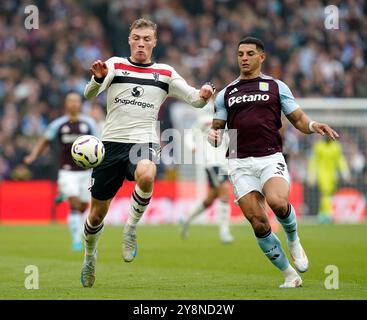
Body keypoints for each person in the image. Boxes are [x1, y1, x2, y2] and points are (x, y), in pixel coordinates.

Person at [81, 18, 214, 288]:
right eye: (137, 38)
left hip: (143, 141)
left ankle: (130, 228)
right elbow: (88, 94)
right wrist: (97, 78)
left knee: (147, 173)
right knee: (96, 215)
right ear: (130, 40)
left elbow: (194, 100)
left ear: (154, 42)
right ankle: (89, 256)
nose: (141, 43)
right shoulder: (115, 64)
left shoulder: (165, 73)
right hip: (110, 145)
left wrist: (204, 94)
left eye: (146, 39)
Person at [208, 37, 339, 288]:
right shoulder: (226, 94)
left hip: (270, 156)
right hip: (239, 161)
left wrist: (314, 125)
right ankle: (290, 274)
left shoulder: (276, 86)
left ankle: (293, 239)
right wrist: (212, 136)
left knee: (278, 202)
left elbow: (298, 119)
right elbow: (217, 129)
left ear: (261, 57)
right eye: (240, 54)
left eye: (249, 53)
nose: (243, 58)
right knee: (258, 222)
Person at [24, 92, 98, 251]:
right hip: (67, 170)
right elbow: (44, 140)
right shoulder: (59, 124)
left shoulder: (89, 123)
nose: (73, 104)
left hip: (86, 171)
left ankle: (64, 194)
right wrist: (33, 156)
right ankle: (76, 241)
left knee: (83, 207)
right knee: (74, 203)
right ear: (66, 104)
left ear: (80, 104)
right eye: (70, 101)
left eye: (76, 101)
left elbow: (98, 144)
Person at [181, 104, 234, 243]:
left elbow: (231, 140)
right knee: (225, 192)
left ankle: (186, 218)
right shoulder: (205, 119)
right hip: (211, 162)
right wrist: (193, 147)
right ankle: (224, 232)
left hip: (224, 162)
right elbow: (189, 135)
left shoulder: (227, 120)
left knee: (210, 199)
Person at [308, 137, 350, 224]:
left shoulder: (336, 146)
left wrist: (345, 172)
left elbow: (340, 160)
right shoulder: (319, 146)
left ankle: (322, 214)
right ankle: (327, 215)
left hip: (333, 175)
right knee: (326, 194)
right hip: (322, 174)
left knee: (327, 195)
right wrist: (312, 174)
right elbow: (314, 161)